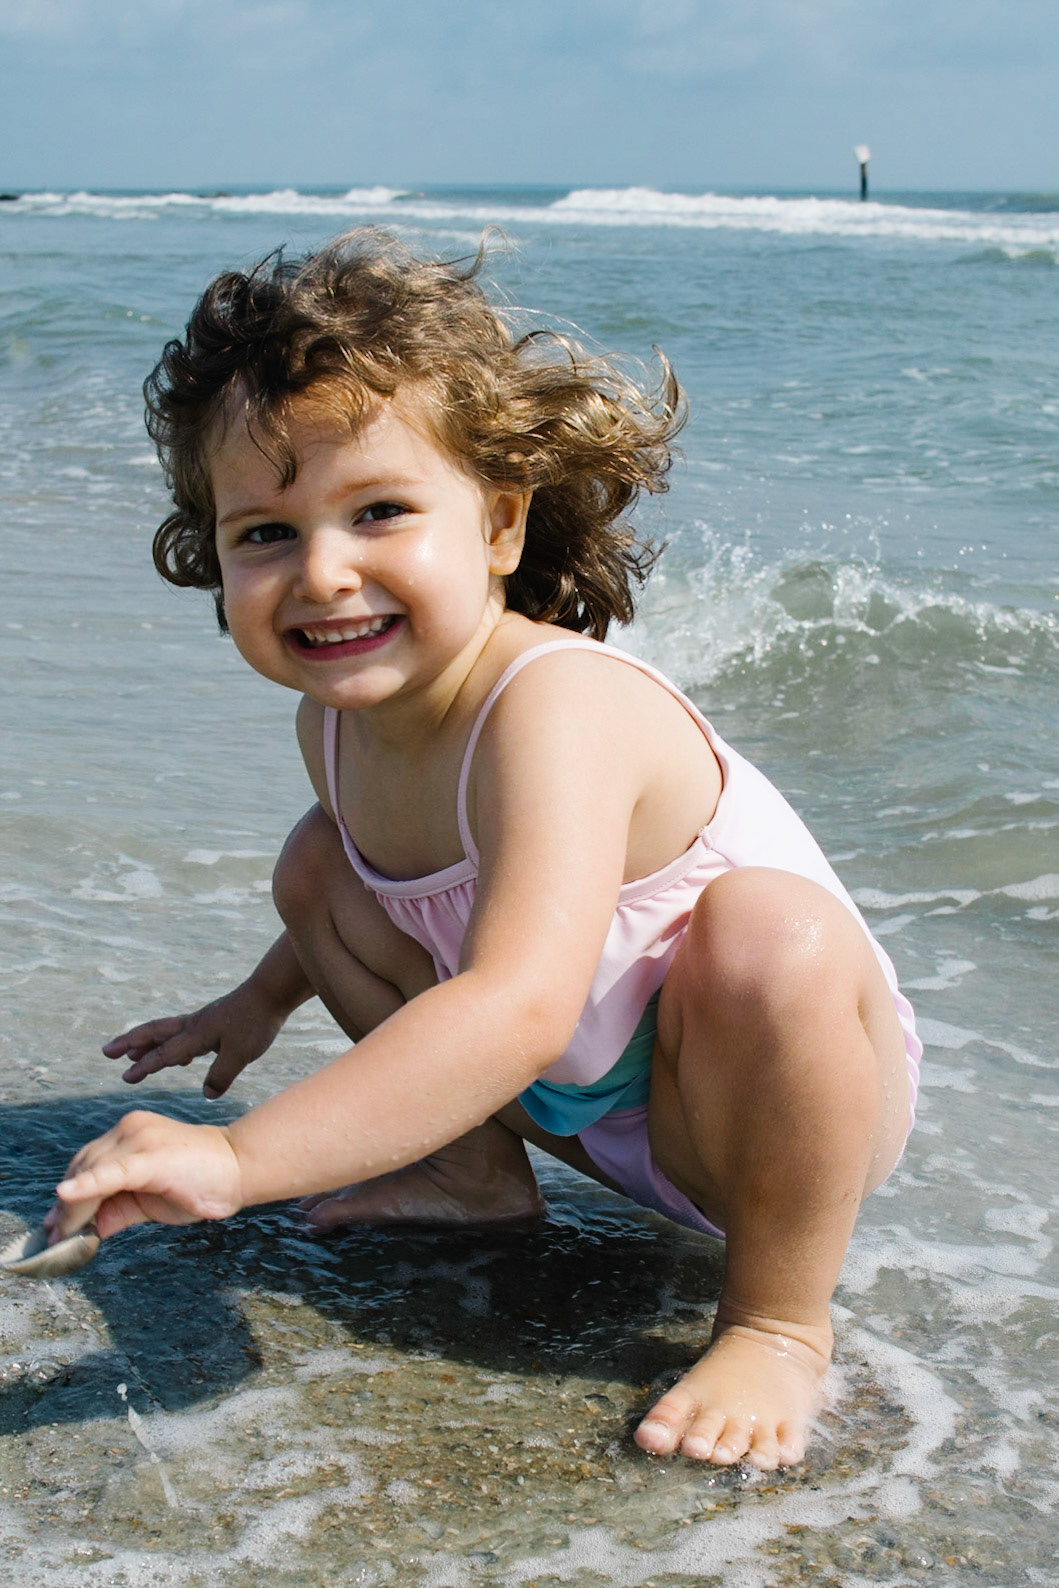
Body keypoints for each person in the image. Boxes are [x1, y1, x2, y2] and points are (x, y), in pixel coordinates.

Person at [47, 229, 921, 1472]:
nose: (325, 573)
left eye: (380, 511)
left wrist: (243, 1158)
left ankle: (780, 1317)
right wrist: (255, 999)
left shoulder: (555, 704)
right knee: (318, 865)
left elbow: (517, 1000)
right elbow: (396, 884)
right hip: (581, 1097)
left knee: (769, 929)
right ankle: (470, 1173)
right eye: (265, 534)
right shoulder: (335, 727)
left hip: (751, 1105)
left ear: (501, 524)